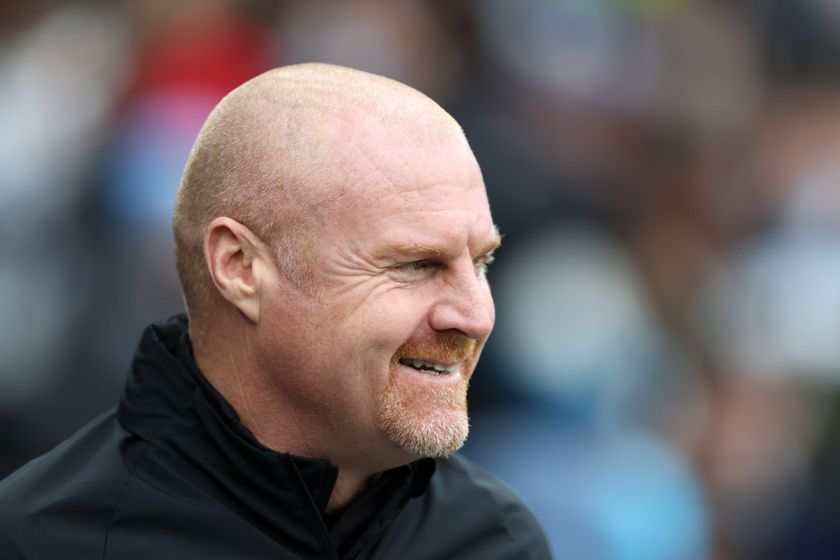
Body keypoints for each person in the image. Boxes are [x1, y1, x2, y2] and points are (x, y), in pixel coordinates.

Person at [0, 63, 551, 559]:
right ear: (240, 267)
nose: (475, 316)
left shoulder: (495, 540)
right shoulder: (43, 541)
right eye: (415, 265)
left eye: (481, 263)